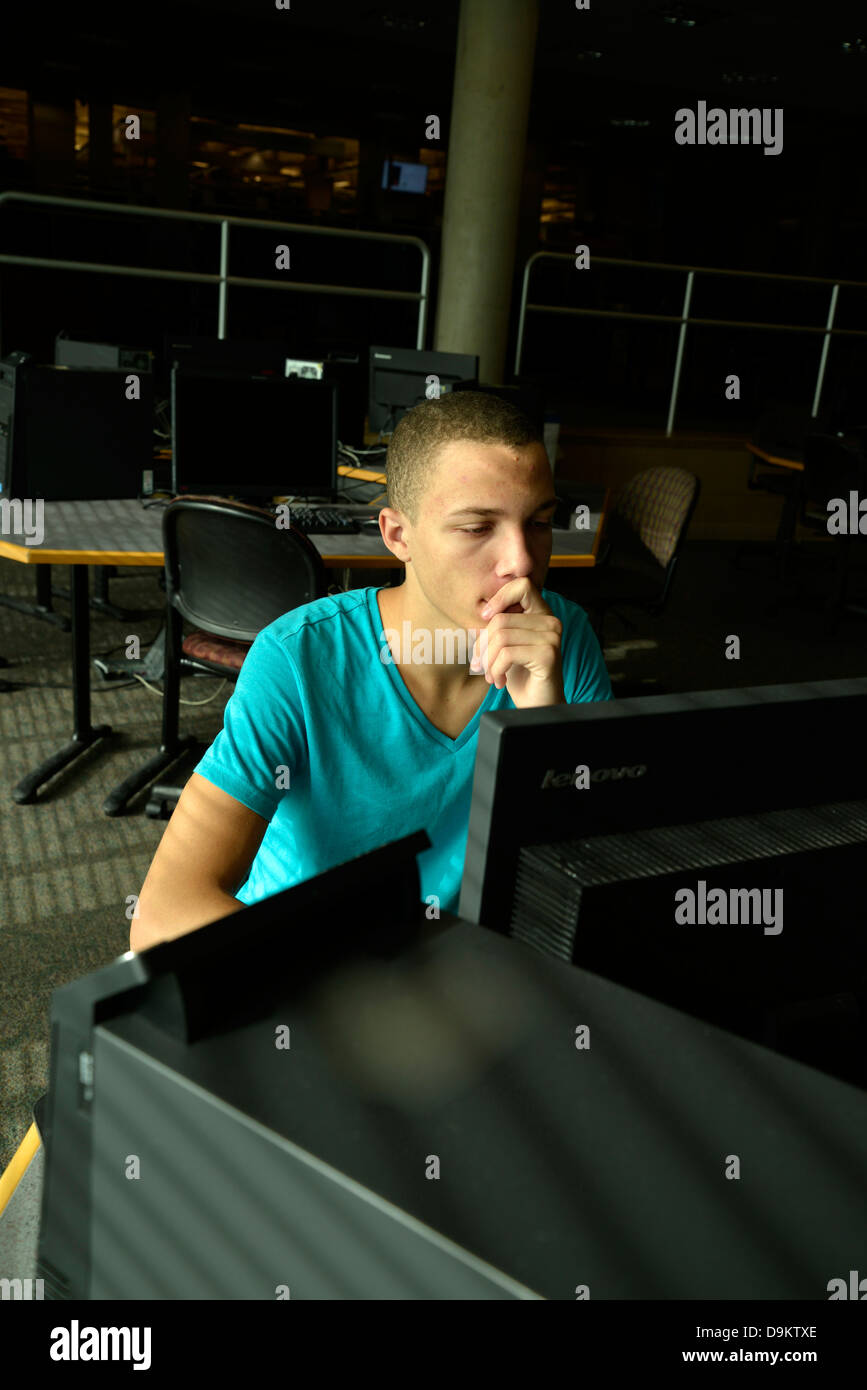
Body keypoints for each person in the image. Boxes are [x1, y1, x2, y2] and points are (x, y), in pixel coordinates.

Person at [130, 390, 612, 950]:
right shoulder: (299, 659)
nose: (523, 561)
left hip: (463, 965)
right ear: (397, 536)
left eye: (539, 523)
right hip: (299, 965)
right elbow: (161, 914)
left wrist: (541, 723)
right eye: (478, 528)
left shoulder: (564, 641)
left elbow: (586, 884)